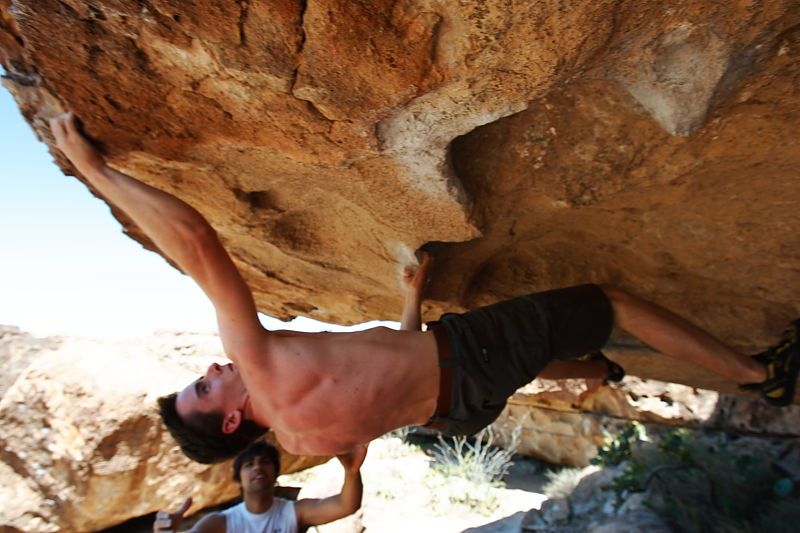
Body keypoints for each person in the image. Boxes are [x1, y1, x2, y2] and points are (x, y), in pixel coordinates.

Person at [49, 113, 800, 464]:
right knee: (611, 302)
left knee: (526, 357)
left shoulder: (308, 441)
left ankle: (599, 371)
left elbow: (389, 378)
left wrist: (410, 299)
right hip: (467, 359)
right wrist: (96, 170)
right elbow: (196, 241)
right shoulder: (259, 361)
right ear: (234, 416)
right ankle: (760, 375)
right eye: (206, 387)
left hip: (459, 409)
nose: (213, 369)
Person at [152, 440, 366, 533]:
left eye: (265, 462)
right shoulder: (221, 523)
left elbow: (346, 505)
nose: (258, 467)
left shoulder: (294, 512)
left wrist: (351, 471)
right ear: (238, 479)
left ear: (275, 473)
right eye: (249, 464)